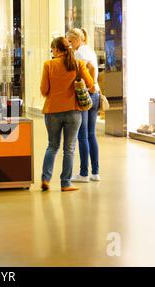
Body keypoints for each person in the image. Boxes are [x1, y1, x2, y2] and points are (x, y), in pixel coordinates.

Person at [40, 37, 94, 192]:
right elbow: (90, 84)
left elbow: (44, 91)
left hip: (52, 111)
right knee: (69, 148)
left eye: (52, 49)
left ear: (57, 50)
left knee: (52, 146)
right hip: (73, 111)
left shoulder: (48, 65)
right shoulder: (78, 64)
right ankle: (65, 183)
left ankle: (46, 179)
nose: (52, 52)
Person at [67, 28, 101, 183]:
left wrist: (90, 84)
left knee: (82, 135)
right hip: (95, 94)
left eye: (71, 41)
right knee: (91, 134)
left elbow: (92, 68)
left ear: (78, 39)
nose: (69, 44)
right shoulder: (89, 50)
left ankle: (83, 173)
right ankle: (95, 172)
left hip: (85, 95)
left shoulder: (80, 53)